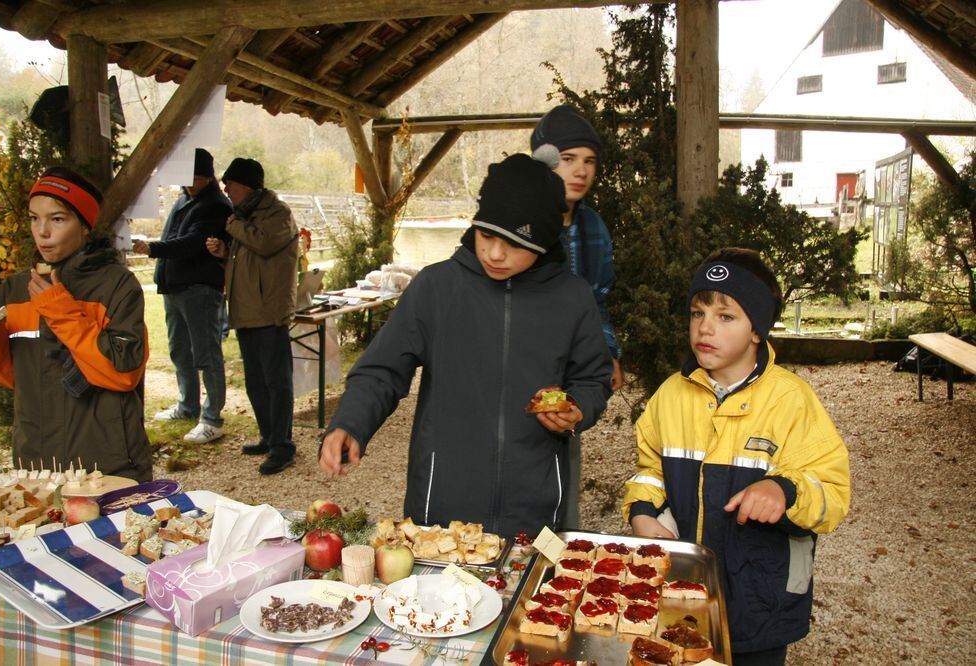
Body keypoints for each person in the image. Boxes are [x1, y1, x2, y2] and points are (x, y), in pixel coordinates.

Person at [318, 154, 613, 537]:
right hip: (440, 510)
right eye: (486, 234)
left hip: (533, 511)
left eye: (514, 243)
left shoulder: (573, 298)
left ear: (543, 242)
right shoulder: (436, 288)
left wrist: (578, 409)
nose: (494, 253)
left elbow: (593, 379)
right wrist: (350, 422)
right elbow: (381, 371)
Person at [622, 248, 851, 665]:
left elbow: (832, 492)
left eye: (726, 316)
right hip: (682, 593)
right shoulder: (671, 395)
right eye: (697, 313)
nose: (705, 327)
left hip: (760, 604)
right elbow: (650, 468)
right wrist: (642, 510)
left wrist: (783, 490)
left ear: (757, 330)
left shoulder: (792, 401)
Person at [0, 167, 152, 482]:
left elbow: (123, 374)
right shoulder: (16, 289)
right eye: (34, 218)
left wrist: (60, 310)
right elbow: (16, 377)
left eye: (57, 219)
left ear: (85, 226)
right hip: (37, 465)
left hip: (106, 465)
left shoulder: (117, 286)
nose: (42, 231)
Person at [531, 103, 622, 528]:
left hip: (573, 380)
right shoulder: (520, 225)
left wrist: (607, 353)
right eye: (568, 160)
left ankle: (555, 566)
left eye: (589, 161)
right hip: (522, 371)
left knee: (562, 474)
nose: (580, 171)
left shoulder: (594, 228)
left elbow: (599, 301)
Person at [206, 158, 299, 475]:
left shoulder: (277, 213)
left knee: (277, 383)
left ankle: (282, 447)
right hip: (246, 313)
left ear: (245, 185)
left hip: (269, 312)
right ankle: (269, 436)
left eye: (229, 184)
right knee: (256, 384)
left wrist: (232, 227)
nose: (226, 190)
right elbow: (247, 265)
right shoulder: (245, 218)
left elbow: (266, 243)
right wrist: (223, 256)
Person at [133, 148, 231, 444]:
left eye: (195, 180)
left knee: (206, 354)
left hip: (199, 288)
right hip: (175, 287)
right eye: (187, 180)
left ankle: (212, 418)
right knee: (179, 350)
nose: (190, 185)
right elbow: (173, 236)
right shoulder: (185, 200)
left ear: (207, 177)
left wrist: (153, 248)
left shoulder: (215, 204)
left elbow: (193, 243)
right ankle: (188, 405)